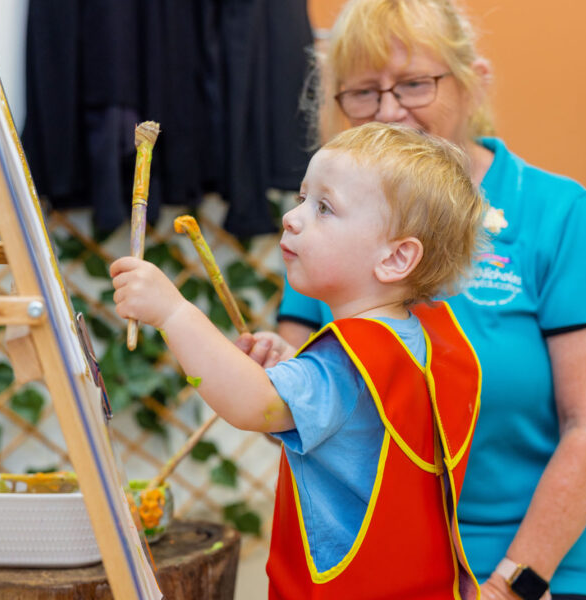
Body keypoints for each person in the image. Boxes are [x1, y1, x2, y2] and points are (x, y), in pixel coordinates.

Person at [264, 2, 586, 599]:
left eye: (414, 83)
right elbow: (302, 411)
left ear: (473, 82)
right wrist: (271, 381)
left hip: (530, 563)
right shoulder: (332, 233)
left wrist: (511, 586)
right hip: (376, 567)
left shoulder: (557, 213)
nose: (389, 110)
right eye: (362, 92)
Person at [111, 122, 488, 599]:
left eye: (325, 208)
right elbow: (359, 422)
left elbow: (254, 405)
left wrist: (172, 311)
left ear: (395, 259)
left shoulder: (345, 362)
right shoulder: (425, 338)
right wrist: (292, 368)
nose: (293, 218)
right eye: (301, 198)